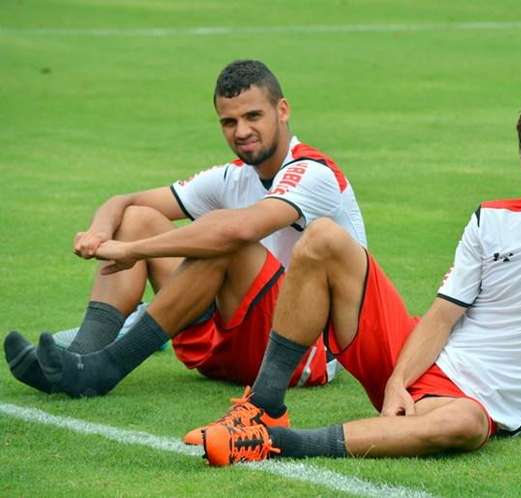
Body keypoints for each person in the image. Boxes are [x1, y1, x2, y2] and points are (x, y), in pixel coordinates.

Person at [190, 88, 521, 466]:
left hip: (474, 406)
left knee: (466, 427)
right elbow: (445, 312)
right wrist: (398, 380)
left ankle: (276, 446)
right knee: (326, 236)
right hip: (415, 361)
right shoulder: (490, 219)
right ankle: (263, 411)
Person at [4, 61, 366, 434]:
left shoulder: (315, 172)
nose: (242, 131)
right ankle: (79, 360)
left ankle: (106, 367)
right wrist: (97, 232)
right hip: (233, 346)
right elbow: (125, 201)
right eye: (229, 122)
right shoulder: (232, 176)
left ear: (283, 110)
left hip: (301, 356)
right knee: (139, 218)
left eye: (253, 116)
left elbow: (238, 230)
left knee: (226, 237)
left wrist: (135, 251)